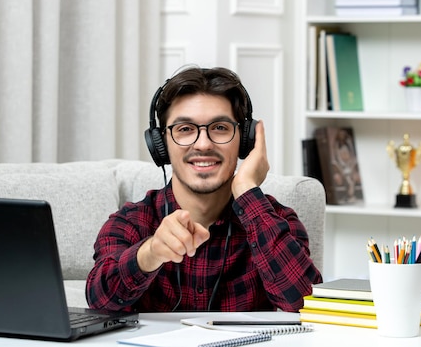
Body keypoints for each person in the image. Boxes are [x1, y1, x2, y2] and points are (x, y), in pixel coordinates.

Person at [85, 66, 322, 312]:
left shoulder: (277, 221)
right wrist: (150, 253)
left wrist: (246, 190)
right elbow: (99, 300)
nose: (203, 144)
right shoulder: (131, 222)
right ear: (161, 144)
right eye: (185, 130)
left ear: (245, 140)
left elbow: (306, 305)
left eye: (220, 128)